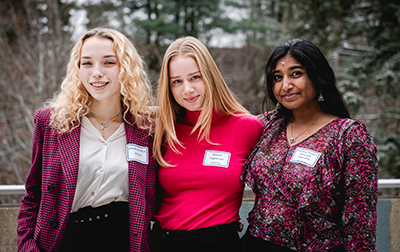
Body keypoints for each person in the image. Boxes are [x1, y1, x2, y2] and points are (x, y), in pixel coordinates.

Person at [17, 28, 156, 252]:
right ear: (77, 70)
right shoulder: (52, 123)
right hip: (64, 241)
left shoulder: (146, 129)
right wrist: (26, 246)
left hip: (122, 241)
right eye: (87, 63)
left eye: (109, 62)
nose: (97, 72)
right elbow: (33, 195)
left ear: (126, 69)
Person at [241, 38, 378, 251]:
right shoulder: (266, 126)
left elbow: (360, 222)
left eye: (296, 74)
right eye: (278, 77)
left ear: (317, 76)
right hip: (256, 243)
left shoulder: (348, 136)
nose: (285, 86)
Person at [151, 36, 263, 252]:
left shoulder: (248, 127)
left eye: (195, 77)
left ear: (210, 76)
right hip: (163, 242)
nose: (188, 89)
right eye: (177, 81)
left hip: (217, 242)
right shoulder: (162, 129)